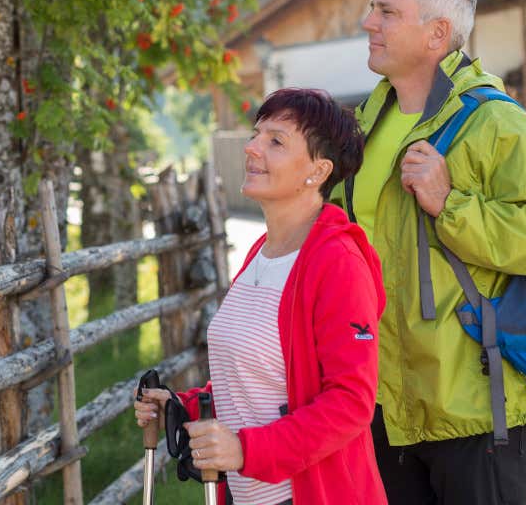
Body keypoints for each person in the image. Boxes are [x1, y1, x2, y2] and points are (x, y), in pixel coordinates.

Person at [336, 0, 526, 505]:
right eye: (372, 9)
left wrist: (451, 206)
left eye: (387, 11)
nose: (369, 23)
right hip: (383, 410)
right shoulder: (363, 126)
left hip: (479, 417)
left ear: (438, 33)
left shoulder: (500, 124)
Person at [135, 88, 387, 505]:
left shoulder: (337, 262)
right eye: (257, 134)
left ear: (318, 171)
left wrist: (246, 450)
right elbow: (257, 382)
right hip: (248, 493)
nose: (252, 148)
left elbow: (350, 403)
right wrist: (184, 407)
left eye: (276, 141)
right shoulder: (261, 253)